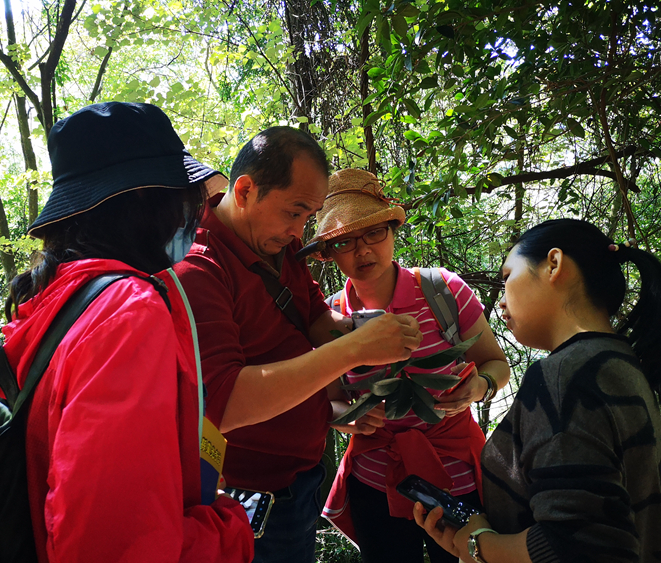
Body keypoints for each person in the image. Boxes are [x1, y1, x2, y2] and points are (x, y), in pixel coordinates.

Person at [0, 102, 254, 562]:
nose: (196, 214)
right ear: (143, 200)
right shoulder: (127, 313)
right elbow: (114, 546)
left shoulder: (52, 300)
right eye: (185, 197)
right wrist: (228, 529)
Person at [174, 129, 423, 563]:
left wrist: (369, 330)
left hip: (302, 478)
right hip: (252, 499)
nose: (298, 231)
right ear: (246, 190)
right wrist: (355, 349)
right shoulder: (200, 268)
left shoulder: (278, 244)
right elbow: (227, 402)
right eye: (295, 212)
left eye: (308, 216)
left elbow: (313, 321)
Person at [414, 218, 661, 563]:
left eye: (507, 277)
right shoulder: (624, 365)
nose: (501, 302)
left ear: (554, 265)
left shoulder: (563, 377)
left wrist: (477, 546)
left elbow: (575, 544)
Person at [304, 169, 509, 563]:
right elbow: (329, 403)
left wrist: (481, 385)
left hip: (455, 475)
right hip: (374, 480)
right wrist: (349, 417)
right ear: (328, 253)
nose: (363, 250)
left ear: (392, 231)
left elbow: (496, 363)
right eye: (345, 241)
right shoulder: (329, 317)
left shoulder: (443, 290)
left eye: (374, 233)